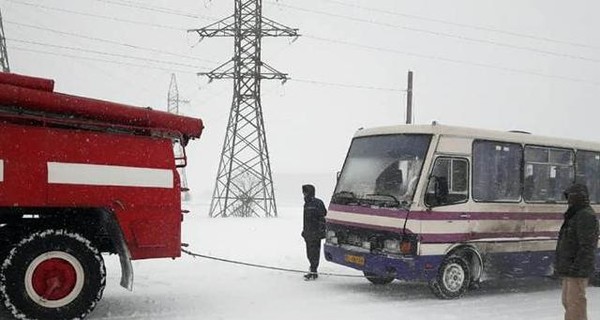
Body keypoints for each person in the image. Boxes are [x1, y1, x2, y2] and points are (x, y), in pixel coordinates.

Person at [555, 183, 599, 320]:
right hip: (570, 268)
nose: (569, 200)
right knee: (568, 302)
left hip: (576, 269)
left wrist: (576, 267)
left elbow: (586, 245)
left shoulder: (584, 215)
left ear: (579, 197)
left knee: (575, 304)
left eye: (571, 197)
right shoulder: (575, 214)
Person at [301, 184, 327, 281]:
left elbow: (323, 217)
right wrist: (304, 231)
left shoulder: (318, 203)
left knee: (314, 253)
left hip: (315, 233)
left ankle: (313, 271)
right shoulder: (306, 204)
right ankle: (312, 270)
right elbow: (305, 220)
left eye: (305, 192)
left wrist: (320, 230)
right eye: (303, 192)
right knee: (309, 253)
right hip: (308, 233)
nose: (304, 194)